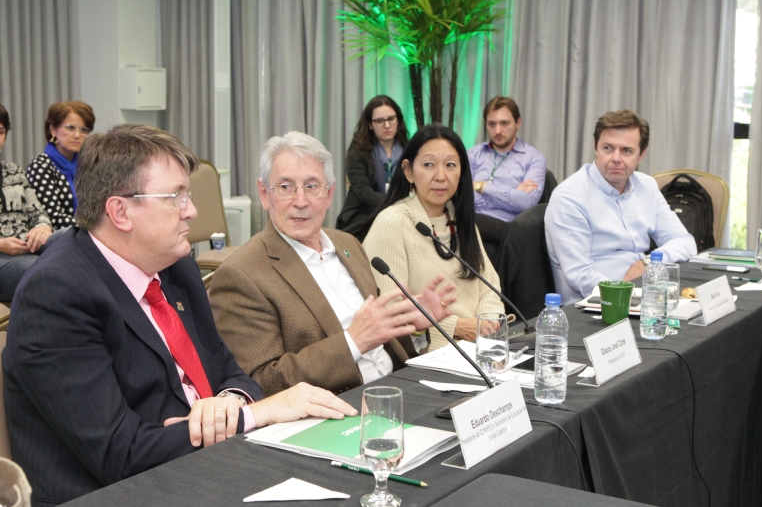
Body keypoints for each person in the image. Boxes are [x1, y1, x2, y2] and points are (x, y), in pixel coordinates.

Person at [2, 124, 357, 506]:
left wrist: (229, 402)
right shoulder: (56, 293)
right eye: (177, 197)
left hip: (208, 465)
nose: (193, 211)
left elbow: (230, 372)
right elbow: (119, 453)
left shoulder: (175, 266)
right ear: (120, 212)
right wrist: (254, 415)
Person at [210, 131, 455, 397]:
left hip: (398, 389)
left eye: (312, 186)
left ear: (329, 194)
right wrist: (353, 341)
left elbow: (383, 338)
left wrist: (410, 322)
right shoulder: (241, 275)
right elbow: (260, 383)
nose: (300, 201)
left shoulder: (348, 244)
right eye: (285, 187)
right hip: (338, 406)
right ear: (264, 194)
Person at [362, 124, 504, 352]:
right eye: (428, 165)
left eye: (450, 165)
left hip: (479, 350)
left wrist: (487, 325)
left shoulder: (460, 219)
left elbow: (490, 288)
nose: (440, 176)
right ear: (409, 171)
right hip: (427, 356)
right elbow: (389, 311)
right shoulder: (392, 223)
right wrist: (456, 327)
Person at [544, 109, 697, 304]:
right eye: (608, 148)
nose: (616, 158)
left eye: (626, 151)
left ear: (641, 155)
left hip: (644, 296)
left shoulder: (647, 186)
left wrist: (648, 264)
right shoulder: (569, 197)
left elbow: (685, 242)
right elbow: (581, 277)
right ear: (595, 147)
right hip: (596, 305)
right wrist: (625, 290)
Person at [468, 97, 546, 264]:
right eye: (491, 124)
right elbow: (462, 196)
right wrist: (512, 195)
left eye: (504, 123)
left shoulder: (533, 158)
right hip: (480, 232)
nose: (497, 130)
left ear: (518, 123)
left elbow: (526, 203)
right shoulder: (473, 155)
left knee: (468, 222)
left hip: (509, 228)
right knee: (486, 250)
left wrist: (482, 187)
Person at [0, 103, 62, 302]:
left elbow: (37, 210)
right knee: (38, 268)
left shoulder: (13, 170)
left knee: (71, 237)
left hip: (27, 245)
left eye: (0, 132)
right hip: (4, 257)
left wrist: (42, 227)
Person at [335, 95, 410, 230]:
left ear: (398, 120)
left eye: (391, 119)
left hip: (401, 208)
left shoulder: (409, 149)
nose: (387, 125)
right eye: (380, 121)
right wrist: (391, 206)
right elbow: (362, 190)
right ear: (370, 125)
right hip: (363, 210)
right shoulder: (357, 150)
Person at [26, 101, 95, 230]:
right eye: (70, 128)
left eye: (84, 130)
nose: (77, 135)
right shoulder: (41, 166)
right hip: (60, 236)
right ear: (53, 129)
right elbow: (53, 217)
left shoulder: (88, 164)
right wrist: (94, 228)